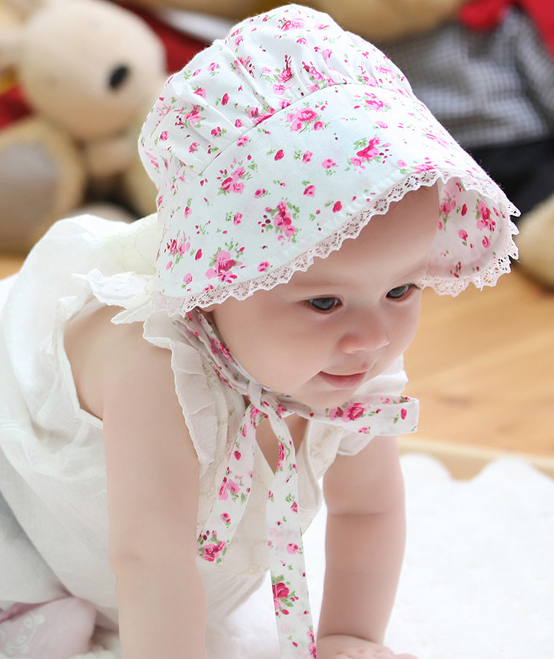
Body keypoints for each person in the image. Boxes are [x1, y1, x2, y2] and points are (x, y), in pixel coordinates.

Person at [0, 4, 518, 659]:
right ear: (223, 281)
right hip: (32, 517)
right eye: (324, 301)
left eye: (402, 290)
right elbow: (151, 555)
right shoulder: (153, 369)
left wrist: (351, 636)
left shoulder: (352, 360)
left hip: (157, 556)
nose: (371, 337)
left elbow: (368, 509)